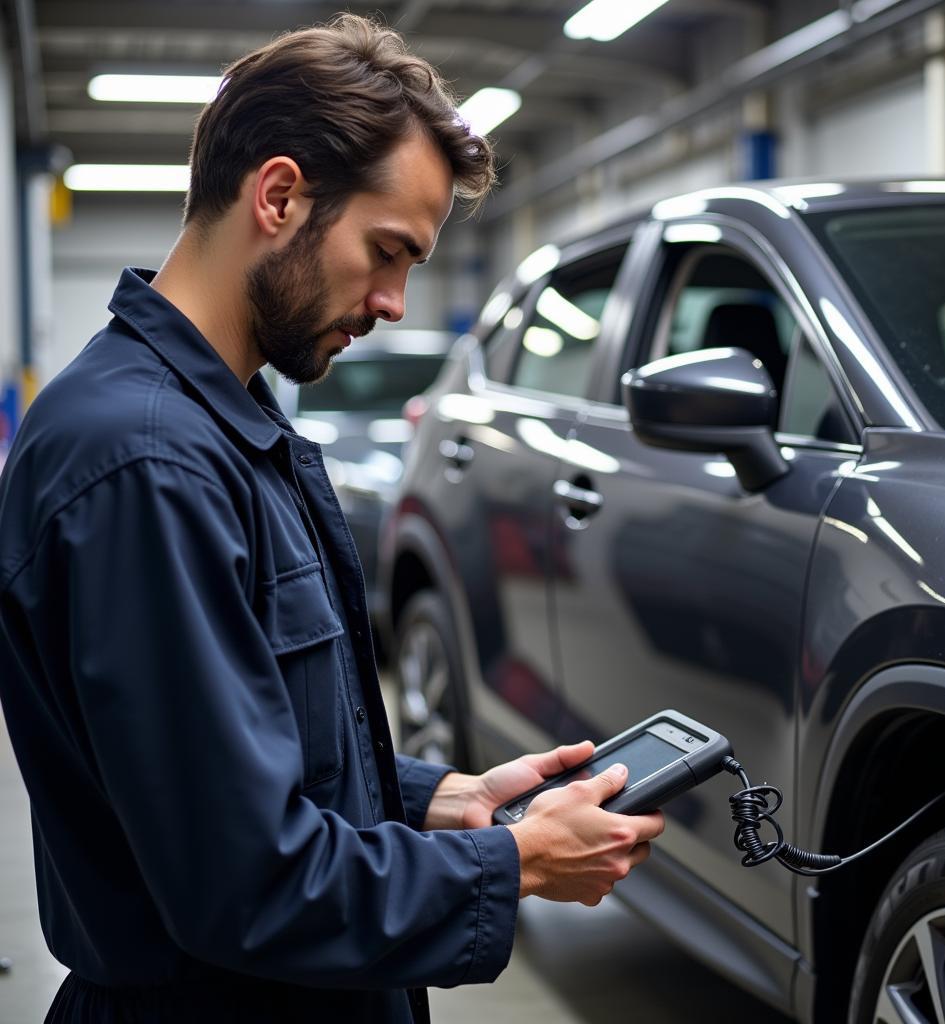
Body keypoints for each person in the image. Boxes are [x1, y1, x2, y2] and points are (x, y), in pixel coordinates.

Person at [0, 14, 664, 1023]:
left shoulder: (229, 424)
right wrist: (511, 862)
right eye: (387, 251)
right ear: (278, 196)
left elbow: (245, 756)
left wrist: (439, 801)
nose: (397, 301)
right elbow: (246, 879)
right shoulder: (144, 464)